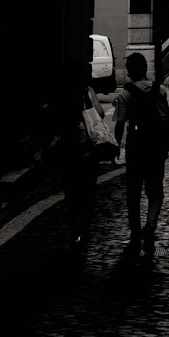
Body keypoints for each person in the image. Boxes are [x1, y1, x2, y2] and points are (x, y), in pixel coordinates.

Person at [112, 52, 169, 261]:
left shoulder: (125, 94)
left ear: (129, 71)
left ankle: (136, 233)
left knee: (133, 192)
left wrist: (116, 149)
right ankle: (150, 225)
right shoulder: (161, 90)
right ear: (145, 68)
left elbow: (120, 124)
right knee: (155, 190)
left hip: (136, 148)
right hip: (157, 147)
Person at [61, 75, 110, 257]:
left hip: (68, 153)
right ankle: (85, 231)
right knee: (88, 195)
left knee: (71, 194)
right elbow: (101, 113)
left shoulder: (62, 94)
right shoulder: (87, 91)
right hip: (87, 152)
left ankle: (75, 230)